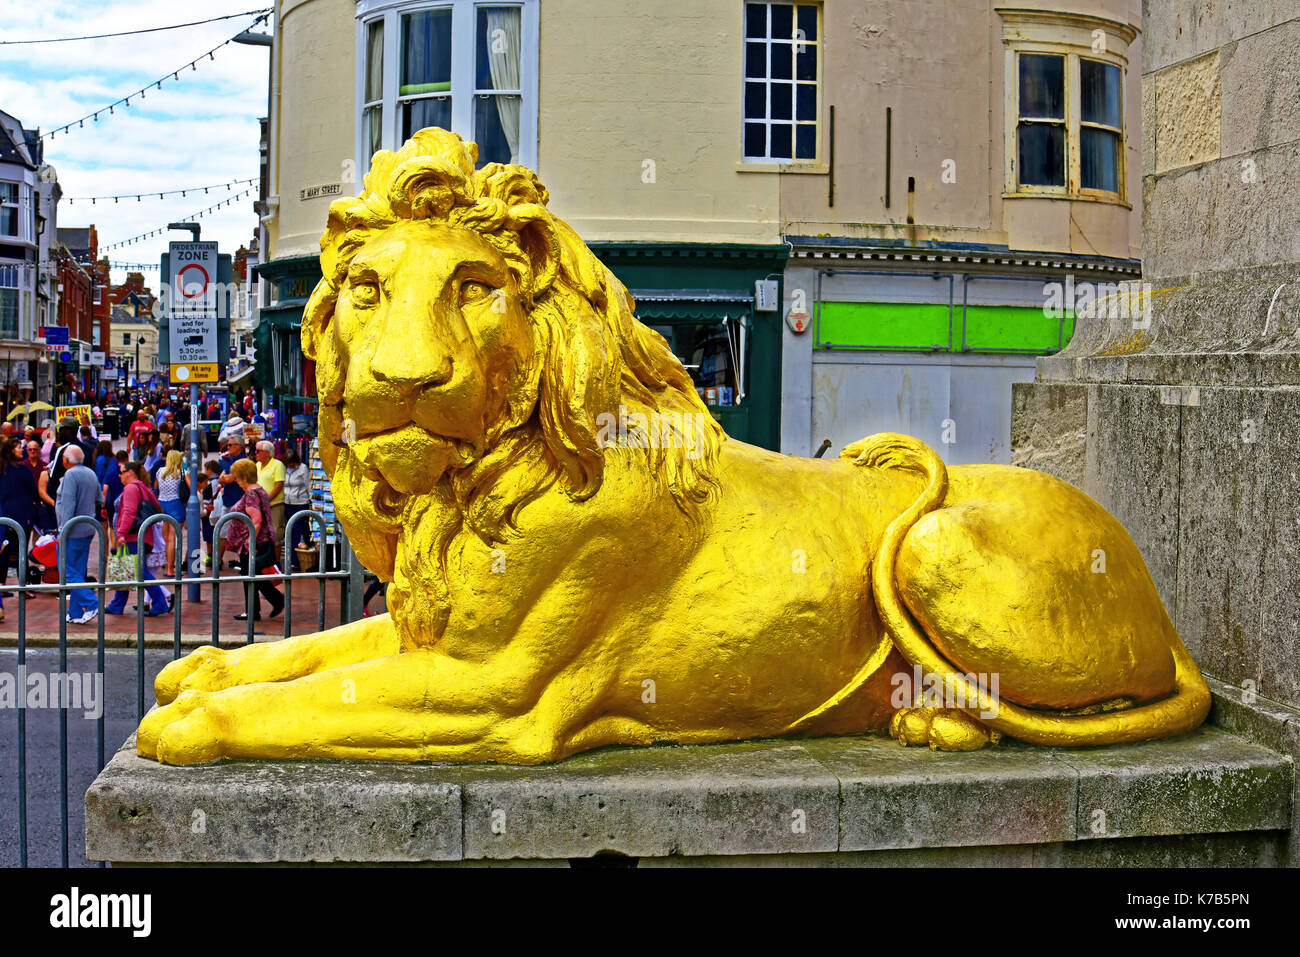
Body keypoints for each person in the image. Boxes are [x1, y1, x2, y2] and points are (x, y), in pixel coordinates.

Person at [105, 461, 170, 617]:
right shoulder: (143, 488)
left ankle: (160, 602)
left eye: (122, 472)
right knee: (127, 569)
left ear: (131, 472)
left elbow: (129, 511)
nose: (119, 475)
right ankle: (116, 605)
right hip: (144, 536)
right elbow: (157, 508)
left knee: (137, 571)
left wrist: (121, 533)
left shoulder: (131, 489)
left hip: (134, 537)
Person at [225, 457, 283, 621]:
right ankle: (267, 604)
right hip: (260, 541)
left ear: (244, 477)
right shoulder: (259, 491)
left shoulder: (251, 494)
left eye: (236, 477)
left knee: (249, 576)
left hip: (254, 543)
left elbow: (256, 520)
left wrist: (249, 542)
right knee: (253, 575)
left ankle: (257, 609)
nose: (235, 481)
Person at [54, 444, 103, 625]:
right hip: (87, 528)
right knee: (77, 571)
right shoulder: (90, 473)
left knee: (66, 570)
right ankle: (74, 611)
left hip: (72, 530)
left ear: (66, 460)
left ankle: (91, 603)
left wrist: (62, 531)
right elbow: (100, 499)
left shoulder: (70, 475)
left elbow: (67, 504)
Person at [0, 437, 38, 594]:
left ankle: (1, 585)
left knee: (4, 550)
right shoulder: (22, 470)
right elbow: (33, 491)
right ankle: (24, 587)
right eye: (18, 448)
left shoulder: (2, 469)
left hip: (5, 514)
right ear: (10, 450)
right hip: (22, 515)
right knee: (22, 551)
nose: (21, 450)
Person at [154, 450, 187, 572]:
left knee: (165, 538)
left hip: (162, 504)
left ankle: (165, 565)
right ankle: (170, 569)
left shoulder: (160, 471)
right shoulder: (182, 472)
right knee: (173, 538)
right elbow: (191, 487)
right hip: (176, 505)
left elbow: (156, 487)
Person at [283, 449, 311, 568]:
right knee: (288, 531)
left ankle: (294, 561)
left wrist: (311, 500)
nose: (291, 465)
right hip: (287, 503)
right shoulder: (283, 469)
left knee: (296, 531)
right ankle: (291, 558)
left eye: (293, 463)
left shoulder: (303, 468)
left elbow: (308, 484)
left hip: (300, 502)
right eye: (289, 463)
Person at [254, 440, 286, 544]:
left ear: (267, 452)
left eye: (258, 451)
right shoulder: (257, 465)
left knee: (275, 534)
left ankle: (276, 560)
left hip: (274, 505)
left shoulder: (278, 465)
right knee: (261, 535)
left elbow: (278, 486)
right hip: (259, 506)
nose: (255, 453)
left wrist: (266, 500)